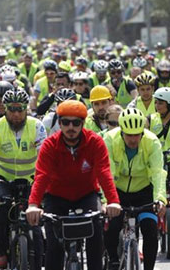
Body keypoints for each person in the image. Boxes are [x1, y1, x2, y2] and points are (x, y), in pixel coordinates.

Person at [25, 100, 122, 270]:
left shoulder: (95, 142)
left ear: (83, 123)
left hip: (86, 195)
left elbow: (104, 173)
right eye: (65, 122)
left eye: (76, 123)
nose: (71, 127)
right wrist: (33, 205)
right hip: (56, 197)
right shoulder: (49, 145)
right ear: (59, 123)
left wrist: (113, 201)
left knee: (96, 240)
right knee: (53, 248)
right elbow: (42, 175)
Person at [0, 88, 46, 268]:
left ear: (26, 108)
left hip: (31, 177)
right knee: (0, 212)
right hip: (3, 176)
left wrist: (45, 187)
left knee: (36, 224)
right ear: (5, 108)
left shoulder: (37, 126)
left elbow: (44, 159)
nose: (16, 114)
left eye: (20, 109)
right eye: (12, 109)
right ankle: (0, 247)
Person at [103, 108, 167, 270]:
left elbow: (158, 173)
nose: (133, 139)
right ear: (121, 131)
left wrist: (160, 199)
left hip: (143, 192)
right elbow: (106, 173)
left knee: (150, 230)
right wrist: (107, 201)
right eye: (128, 135)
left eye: (137, 134)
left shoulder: (152, 142)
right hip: (117, 192)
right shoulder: (109, 139)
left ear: (143, 133)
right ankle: (113, 260)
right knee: (112, 226)